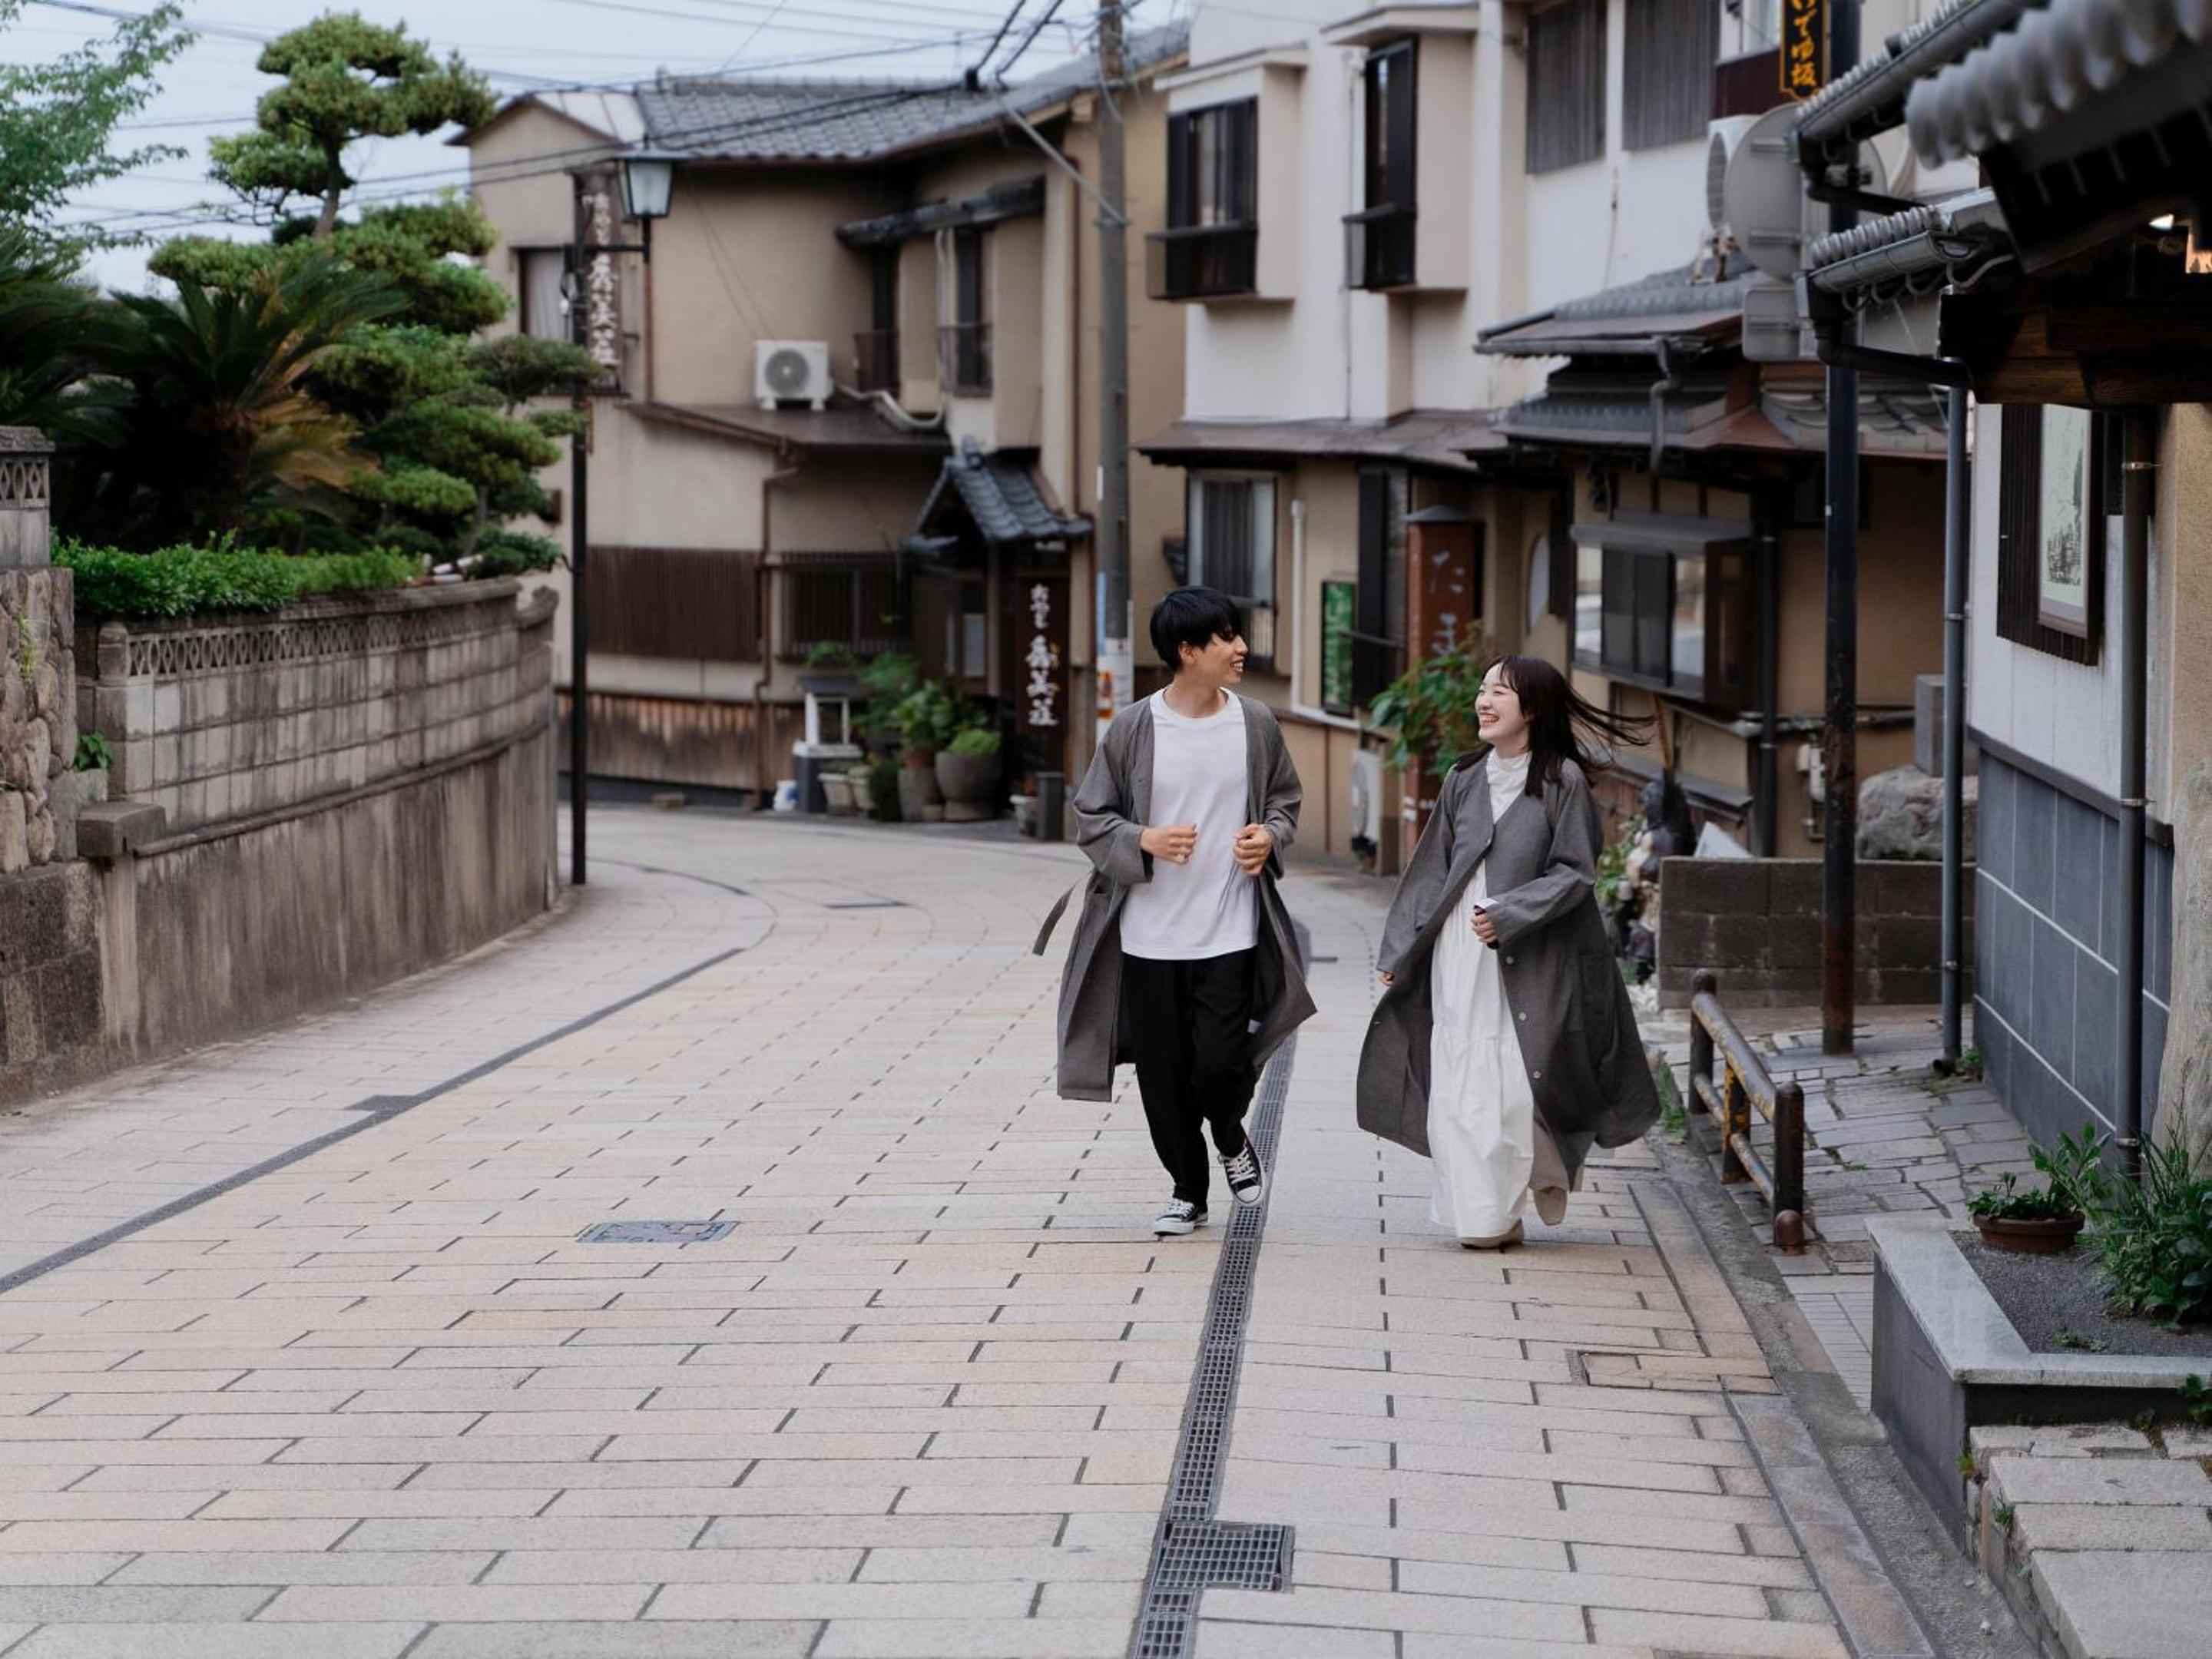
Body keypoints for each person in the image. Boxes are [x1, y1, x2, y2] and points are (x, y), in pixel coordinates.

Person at [1034, 588, 1315, 1237]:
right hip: (1147, 935)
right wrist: (1145, 840)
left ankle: (1230, 1135)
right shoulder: (1135, 727)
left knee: (1219, 1063)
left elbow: (1284, 801)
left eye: (1237, 634)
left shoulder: (1255, 723)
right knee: (1162, 1077)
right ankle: (1188, 1191)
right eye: (1226, 637)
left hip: (1230, 928)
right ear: (1188, 652)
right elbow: (1091, 817)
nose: (1241, 647)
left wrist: (1269, 836)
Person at [1356, 655, 1661, 1247]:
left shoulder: (1562, 782)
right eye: (1482, 689)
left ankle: (1532, 1178)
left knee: (1520, 1080)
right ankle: (1483, 1214)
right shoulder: (1464, 778)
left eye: (1500, 691)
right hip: (1460, 948)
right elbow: (1430, 870)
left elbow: (1575, 873)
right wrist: (1399, 949)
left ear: (1534, 709)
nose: (1484, 700)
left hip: (1535, 958)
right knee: (1460, 1075)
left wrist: (1510, 914)